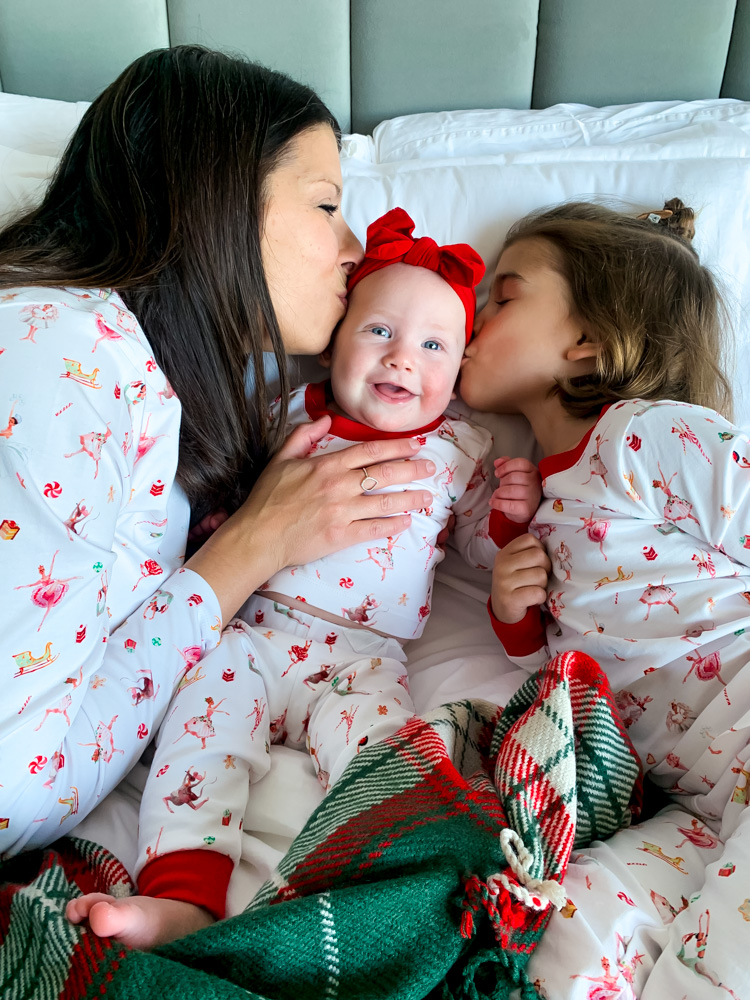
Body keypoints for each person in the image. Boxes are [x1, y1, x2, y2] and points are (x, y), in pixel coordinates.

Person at [0, 47, 442, 916]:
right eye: (326, 207)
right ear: (221, 205)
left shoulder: (148, 369)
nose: (354, 248)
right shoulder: (62, 357)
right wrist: (248, 550)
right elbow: (14, 789)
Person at [67, 206, 541, 948]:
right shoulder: (285, 416)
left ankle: (385, 898)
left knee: (389, 756)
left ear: (458, 372)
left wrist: (509, 517)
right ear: (336, 342)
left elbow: (481, 548)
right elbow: (221, 491)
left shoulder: (461, 450)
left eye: (433, 345)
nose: (401, 359)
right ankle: (181, 894)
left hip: (362, 659)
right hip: (251, 634)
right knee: (198, 746)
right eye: (379, 331)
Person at [460, 197, 749, 997]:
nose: (473, 311)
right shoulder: (536, 510)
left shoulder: (645, 437)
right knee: (571, 931)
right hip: (695, 802)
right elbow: (565, 669)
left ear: (586, 342)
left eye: (504, 294)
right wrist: (512, 616)